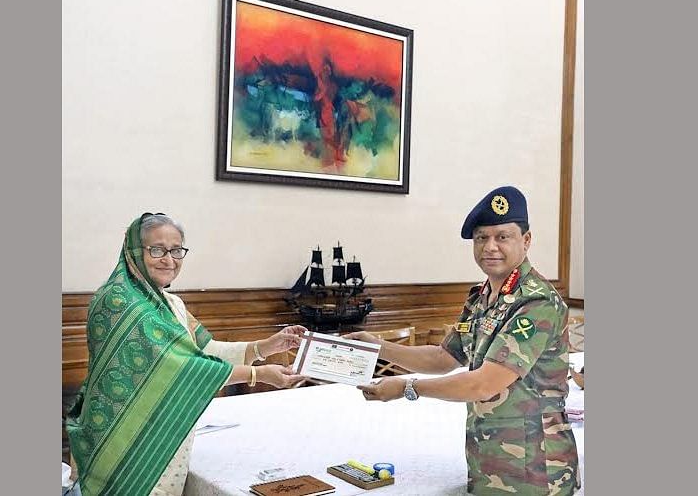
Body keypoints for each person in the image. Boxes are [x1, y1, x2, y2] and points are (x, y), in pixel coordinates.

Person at [347, 186, 580, 495]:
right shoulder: (481, 296)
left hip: (536, 468)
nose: (490, 247)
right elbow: (443, 358)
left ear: (526, 241)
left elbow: (483, 384)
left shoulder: (537, 303)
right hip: (490, 457)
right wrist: (377, 346)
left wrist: (406, 388)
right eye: (482, 237)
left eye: (502, 237)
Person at [66, 213, 307, 496]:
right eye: (156, 250)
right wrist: (257, 374)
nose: (168, 259)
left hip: (164, 435)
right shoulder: (119, 299)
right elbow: (180, 368)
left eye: (176, 250)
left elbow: (206, 351)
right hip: (122, 440)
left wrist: (266, 346)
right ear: (133, 252)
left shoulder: (171, 303)